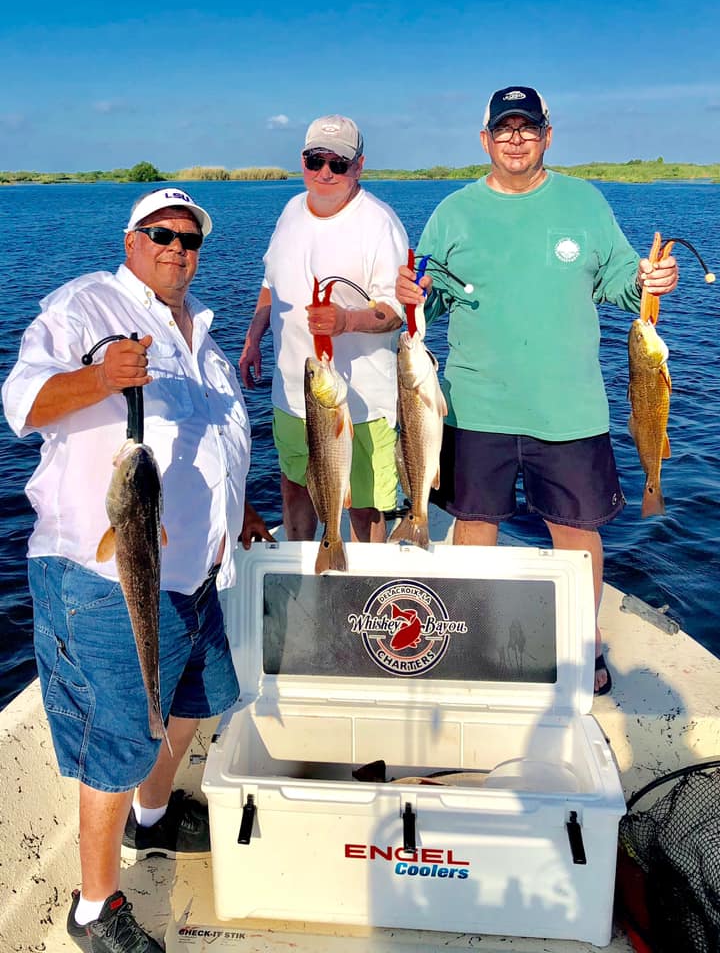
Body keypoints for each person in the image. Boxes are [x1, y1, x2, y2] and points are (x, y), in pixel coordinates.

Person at [2, 187, 273, 952]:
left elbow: (218, 439)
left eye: (190, 239)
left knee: (194, 702)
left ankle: (153, 821)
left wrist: (240, 508)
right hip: (103, 579)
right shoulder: (83, 308)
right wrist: (100, 379)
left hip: (194, 571)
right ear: (131, 239)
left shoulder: (203, 337)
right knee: (119, 735)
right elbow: (19, 404)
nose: (176, 248)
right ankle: (94, 906)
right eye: (161, 233)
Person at [395, 86, 678, 696]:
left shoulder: (584, 202)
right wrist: (411, 296)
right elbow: (429, 297)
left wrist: (653, 278)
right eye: (504, 129)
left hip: (568, 406)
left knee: (576, 534)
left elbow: (623, 283)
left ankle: (585, 645)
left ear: (548, 135)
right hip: (474, 404)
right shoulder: (453, 212)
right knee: (473, 527)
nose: (515, 138)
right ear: (485, 140)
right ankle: (470, 639)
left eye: (527, 128)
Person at [240, 114, 408, 543]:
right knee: (296, 487)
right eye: (316, 160)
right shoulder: (291, 211)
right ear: (302, 161)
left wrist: (347, 320)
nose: (325, 173)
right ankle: (304, 572)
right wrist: (253, 338)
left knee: (362, 504)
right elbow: (270, 283)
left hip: (362, 404)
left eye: (339, 163)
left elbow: (396, 311)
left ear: (359, 166)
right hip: (293, 394)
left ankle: (366, 596)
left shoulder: (379, 222)